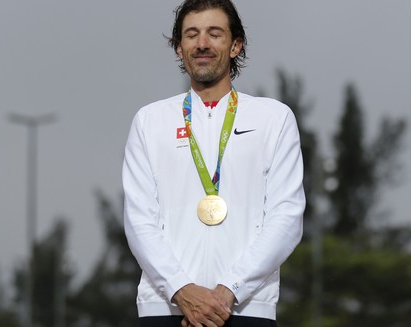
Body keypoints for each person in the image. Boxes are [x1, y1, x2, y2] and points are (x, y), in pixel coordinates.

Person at [122, 0, 306, 326]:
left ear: (236, 45)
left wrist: (230, 289)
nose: (202, 43)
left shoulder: (274, 119)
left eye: (214, 33)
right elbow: (139, 221)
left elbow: (286, 217)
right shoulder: (149, 121)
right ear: (179, 48)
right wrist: (181, 288)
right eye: (191, 34)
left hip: (245, 308)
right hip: (165, 308)